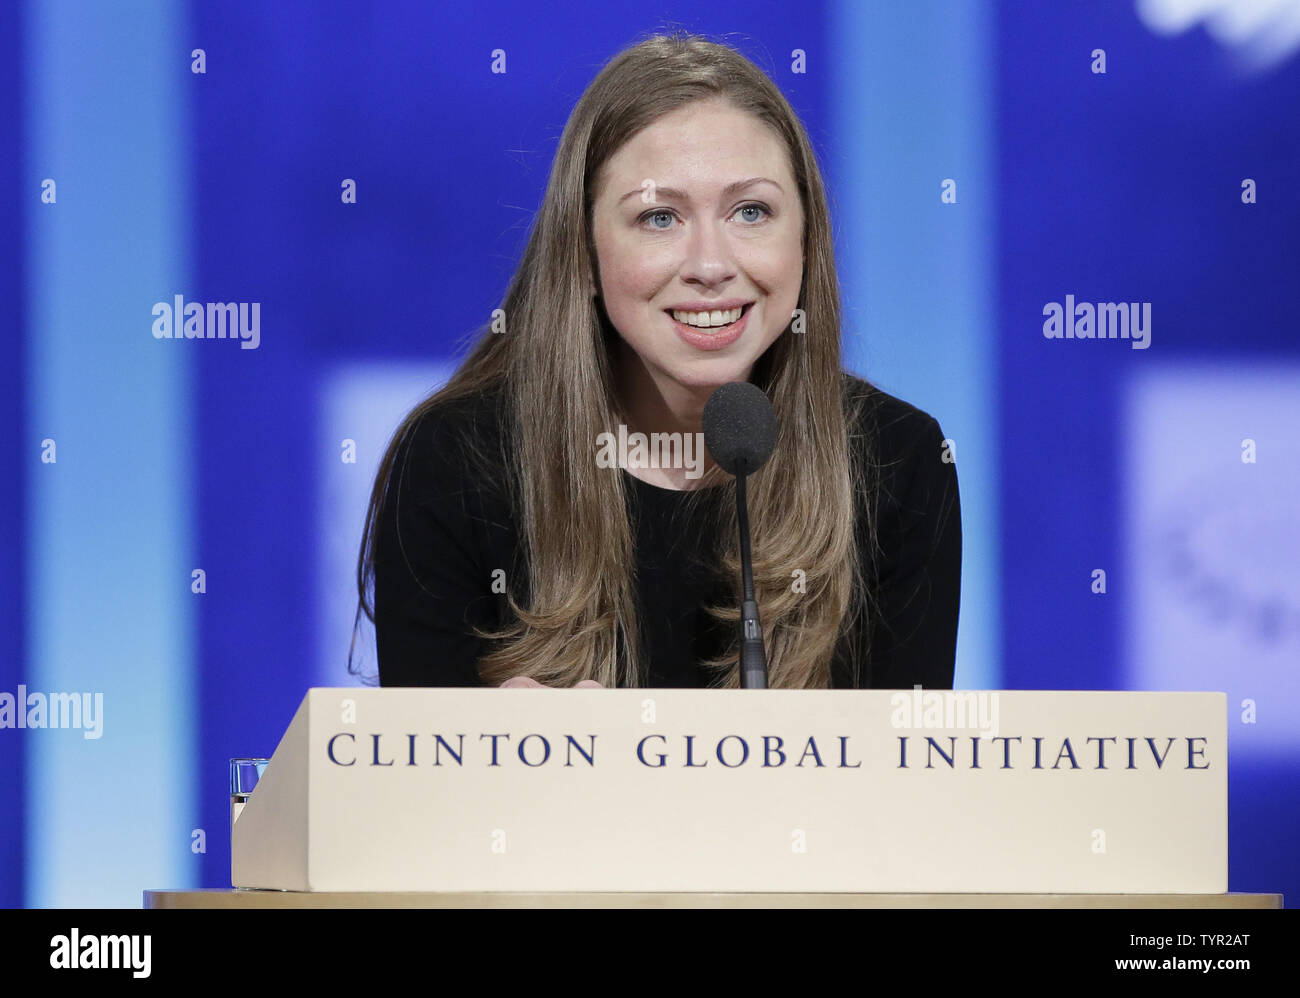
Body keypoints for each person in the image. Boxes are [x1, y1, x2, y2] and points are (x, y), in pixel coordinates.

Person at [351, 31, 961, 690]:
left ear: (808, 242)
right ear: (582, 255)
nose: (710, 266)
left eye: (751, 211)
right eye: (659, 218)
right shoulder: (456, 463)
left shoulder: (897, 461)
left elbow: (906, 785)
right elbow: (414, 784)